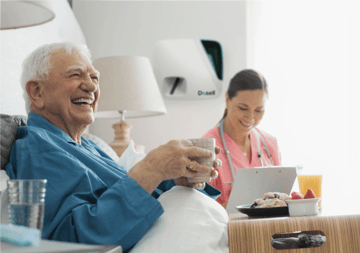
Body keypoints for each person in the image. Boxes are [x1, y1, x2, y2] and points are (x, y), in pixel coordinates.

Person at [5, 42, 222, 252]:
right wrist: (150, 169)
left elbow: (132, 194)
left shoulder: (89, 146)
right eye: (75, 75)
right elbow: (71, 241)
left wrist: (174, 180)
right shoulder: (39, 148)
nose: (91, 86)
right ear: (37, 92)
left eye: (94, 77)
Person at [202, 69, 281, 208]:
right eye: (243, 108)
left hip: (269, 228)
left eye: (258, 110)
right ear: (227, 100)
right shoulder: (206, 149)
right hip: (226, 229)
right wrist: (242, 203)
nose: (250, 117)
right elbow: (202, 212)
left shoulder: (270, 144)